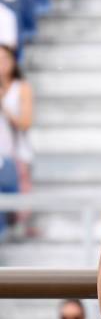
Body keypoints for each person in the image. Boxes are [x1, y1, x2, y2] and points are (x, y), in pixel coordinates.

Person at [0, 45, 34, 235]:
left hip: (16, 154)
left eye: (5, 59)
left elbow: (25, 122)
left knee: (15, 205)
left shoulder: (21, 88)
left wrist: (4, 106)